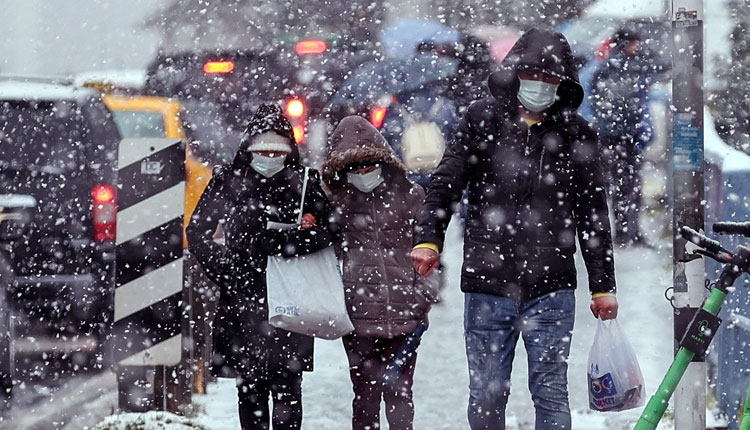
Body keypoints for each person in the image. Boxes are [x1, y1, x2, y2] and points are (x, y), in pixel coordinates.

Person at [410, 29, 619, 429]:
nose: (540, 86)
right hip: (488, 283)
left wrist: (603, 285)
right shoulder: (480, 120)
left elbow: (593, 213)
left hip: (552, 285)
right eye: (532, 76)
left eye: (550, 80)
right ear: (516, 74)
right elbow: (446, 183)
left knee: (551, 390)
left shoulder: (577, 135)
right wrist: (429, 240)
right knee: (488, 392)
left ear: (563, 85)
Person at [187, 103, 335, 430]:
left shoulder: (305, 182)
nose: (269, 156)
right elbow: (197, 231)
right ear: (249, 148)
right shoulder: (229, 180)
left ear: (289, 149)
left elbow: (331, 230)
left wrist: (289, 241)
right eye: (262, 149)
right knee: (250, 389)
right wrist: (227, 268)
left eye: (277, 149)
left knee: (288, 388)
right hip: (242, 298)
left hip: (292, 296)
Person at [321, 116, 439, 430]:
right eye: (355, 167)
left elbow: (430, 251)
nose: (363, 173)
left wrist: (421, 300)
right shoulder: (336, 204)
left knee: (400, 396)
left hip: (406, 316)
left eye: (368, 164)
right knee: (365, 398)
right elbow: (325, 255)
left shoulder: (410, 195)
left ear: (382, 161)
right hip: (358, 319)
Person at [591, 29, 656, 246]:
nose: (637, 47)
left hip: (615, 138)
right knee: (628, 186)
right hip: (623, 138)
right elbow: (629, 104)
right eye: (634, 43)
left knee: (621, 186)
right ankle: (629, 232)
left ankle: (624, 232)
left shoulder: (608, 67)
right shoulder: (623, 68)